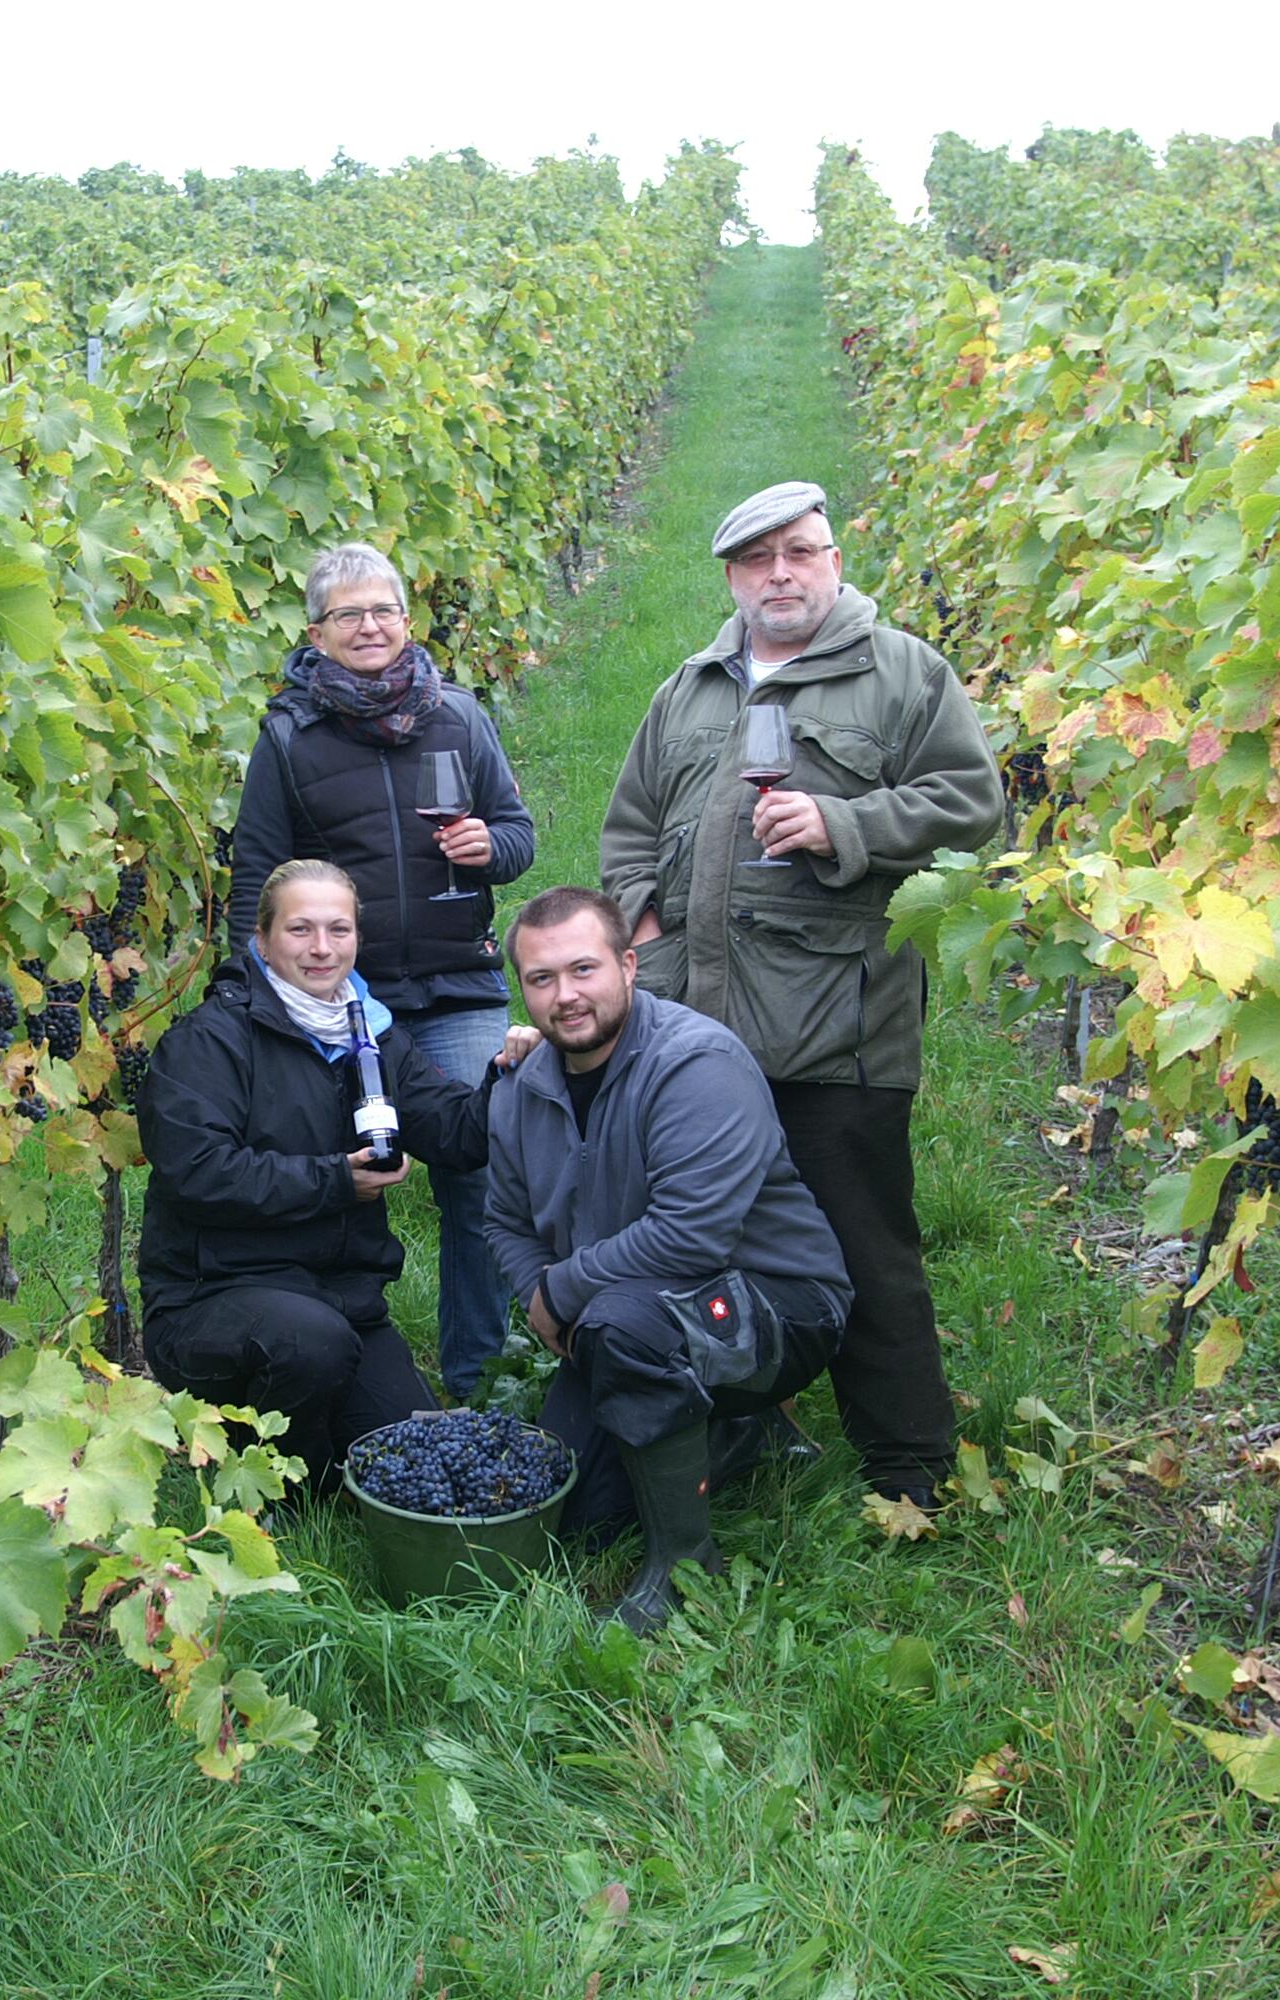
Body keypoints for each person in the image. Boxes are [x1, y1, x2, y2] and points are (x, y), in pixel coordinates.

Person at [600, 481, 1005, 1510]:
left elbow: (972, 809)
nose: (778, 575)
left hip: (835, 1027)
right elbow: (629, 823)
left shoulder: (901, 674)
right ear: (732, 577)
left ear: (832, 558)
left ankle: (906, 1464)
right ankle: (744, 1425)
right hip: (695, 1029)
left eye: (799, 553)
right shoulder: (689, 686)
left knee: (863, 1240)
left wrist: (845, 825)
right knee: (707, 1236)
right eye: (756, 560)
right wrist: (640, 918)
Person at [485, 886, 853, 1634]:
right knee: (580, 1512)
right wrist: (535, 1287)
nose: (567, 996)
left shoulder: (696, 1063)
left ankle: (686, 1569)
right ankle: (738, 1437)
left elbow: (693, 1236)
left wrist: (563, 1288)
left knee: (625, 1327)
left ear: (629, 965)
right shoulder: (524, 1088)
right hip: (632, 1308)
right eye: (542, 979)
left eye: (584, 970)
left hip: (778, 1302)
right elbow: (504, 1219)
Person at [225, 542, 538, 1400]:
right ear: (317, 634)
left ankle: (479, 1370)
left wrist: (489, 850)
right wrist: (256, 995)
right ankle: (344, 1368)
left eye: (385, 610)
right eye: (349, 614)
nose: (371, 627)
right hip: (339, 996)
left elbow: (517, 834)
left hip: (456, 985)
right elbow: (257, 874)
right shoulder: (289, 739)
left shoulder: (460, 719)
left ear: (407, 620)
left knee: (481, 1172)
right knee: (324, 1181)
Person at [143, 860, 538, 1491]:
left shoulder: (371, 1035)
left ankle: (315, 1454)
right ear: (263, 937)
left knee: (413, 1457)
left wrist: (511, 1075)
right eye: (300, 930)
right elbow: (197, 1173)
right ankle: (272, 1490)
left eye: (339, 929)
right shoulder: (210, 1040)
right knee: (309, 1352)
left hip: (343, 1302)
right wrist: (334, 1182)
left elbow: (457, 1136)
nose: (322, 948)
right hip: (210, 1301)